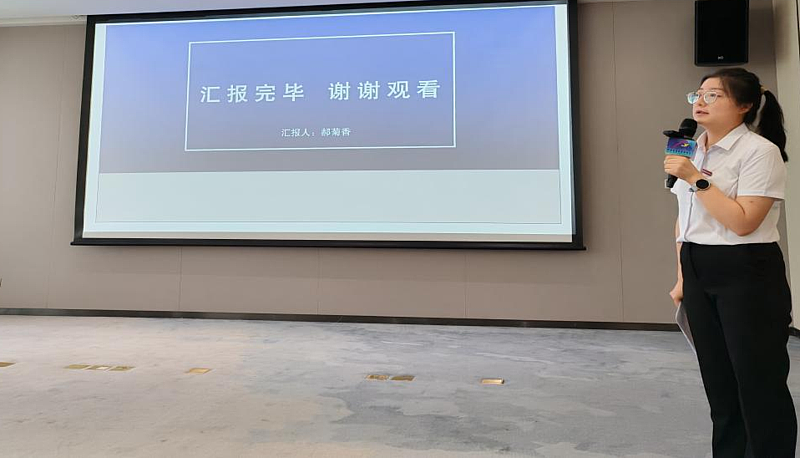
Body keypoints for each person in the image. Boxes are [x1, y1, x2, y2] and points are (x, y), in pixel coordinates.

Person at [664, 67, 796, 457]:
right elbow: (684, 219)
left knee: (758, 383)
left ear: (744, 105)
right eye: (698, 94)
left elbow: (743, 221)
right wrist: (682, 275)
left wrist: (696, 178)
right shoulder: (690, 148)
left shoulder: (759, 152)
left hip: (747, 272)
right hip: (697, 266)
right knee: (719, 385)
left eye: (713, 95)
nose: (700, 102)